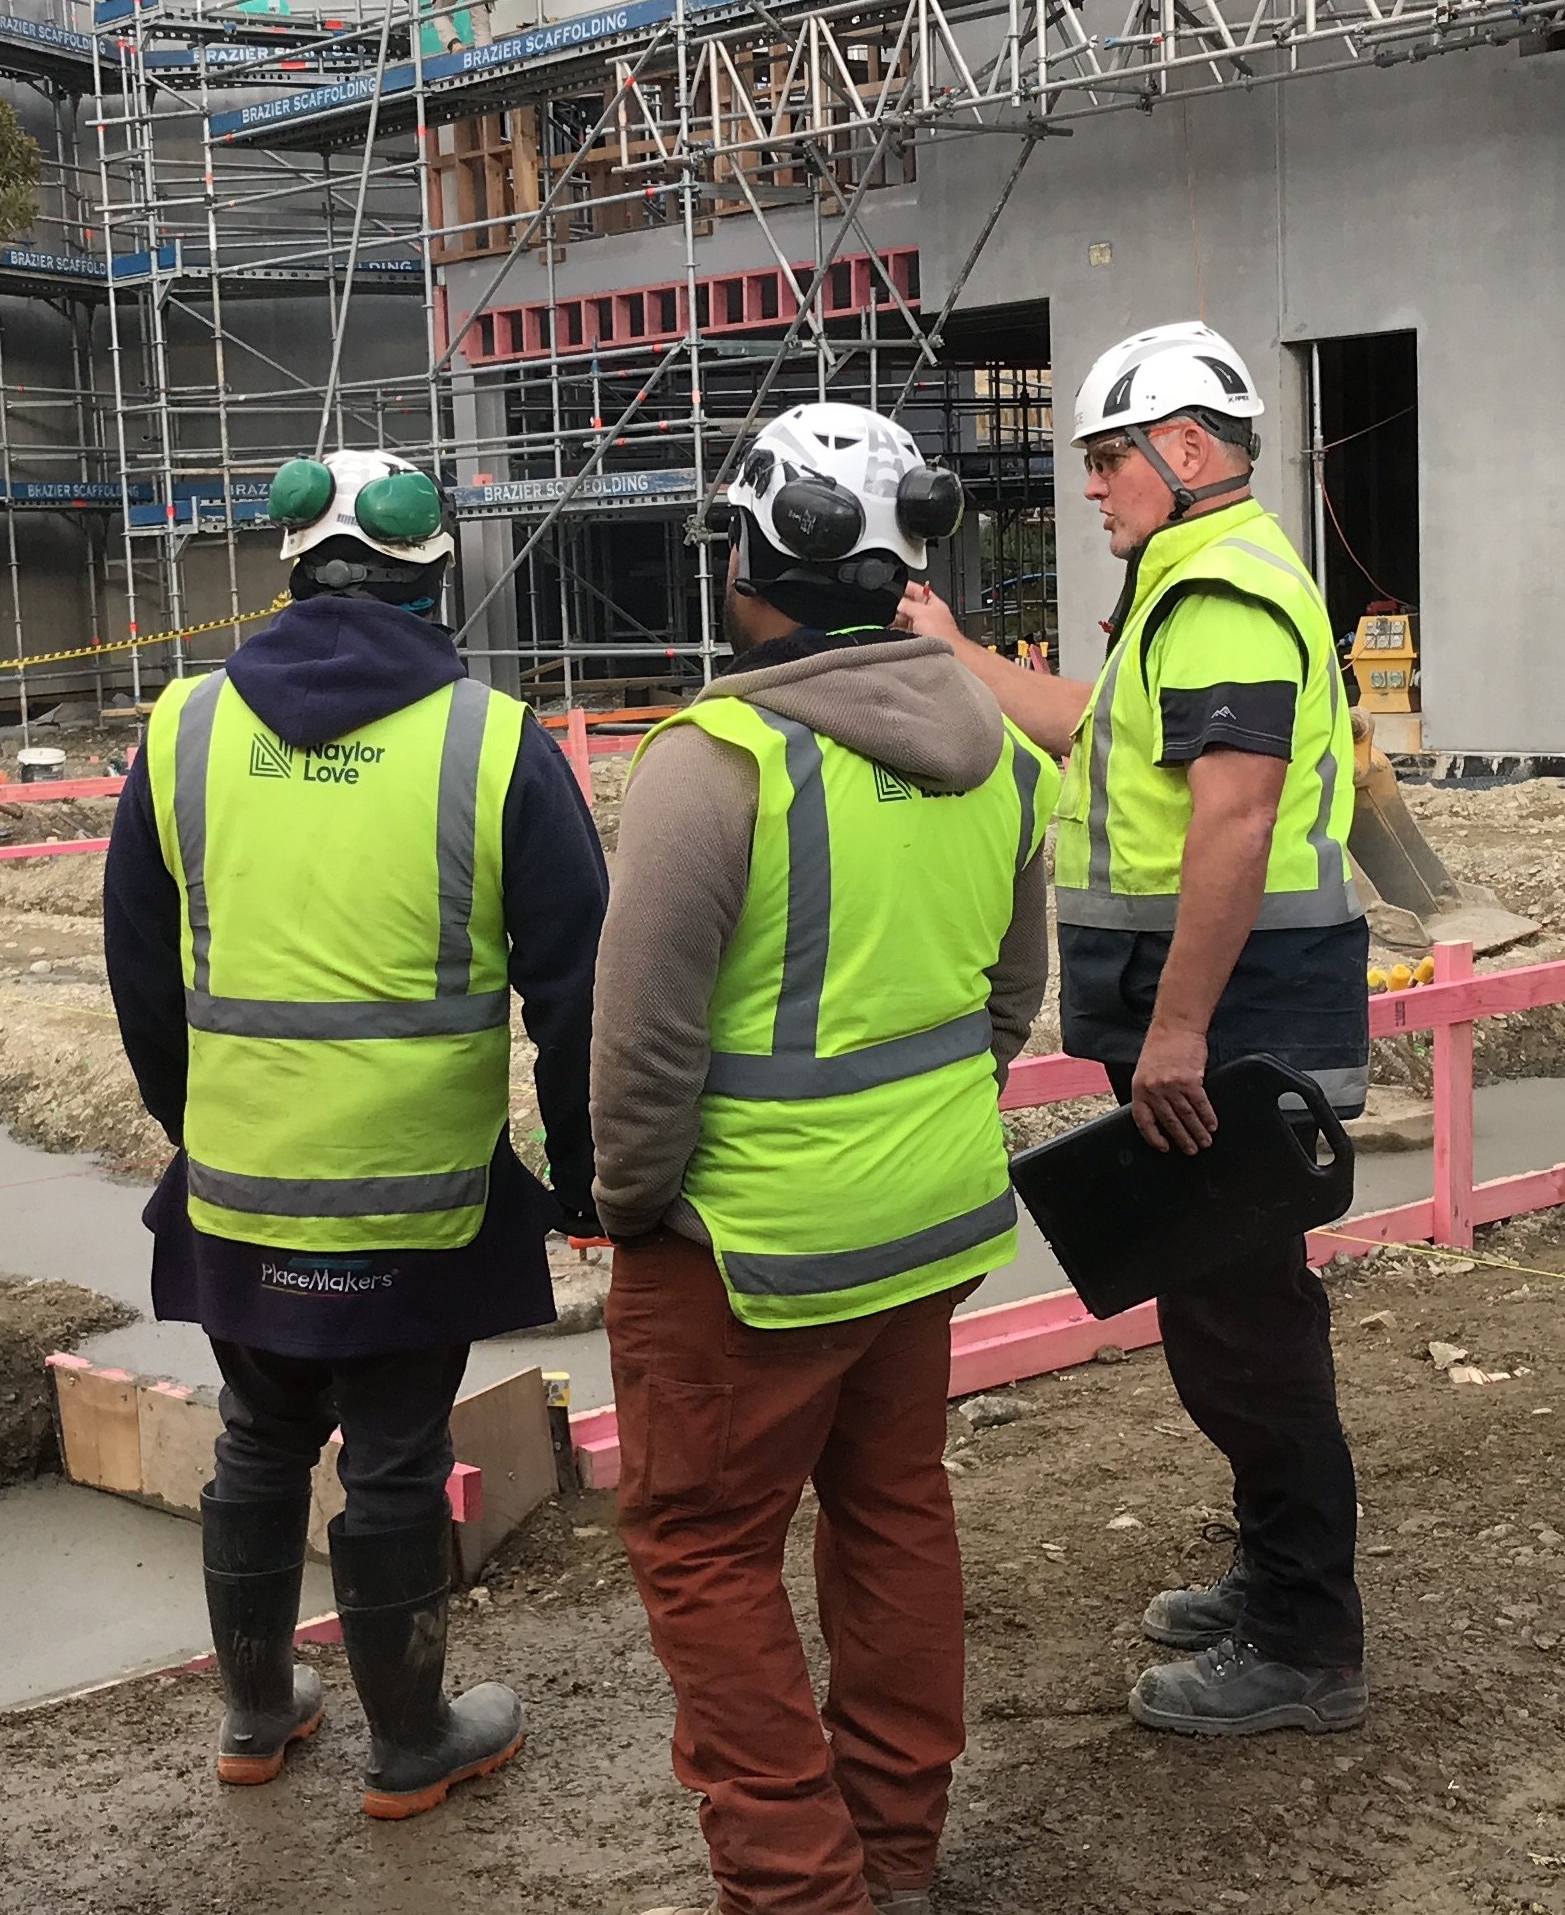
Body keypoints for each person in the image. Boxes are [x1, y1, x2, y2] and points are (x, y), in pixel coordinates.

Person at [594, 402, 1055, 1915]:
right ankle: (894, 1851)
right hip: (923, 1229)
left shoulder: (710, 761)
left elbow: (641, 1050)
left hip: (744, 1251)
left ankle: (798, 1886)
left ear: (759, 552)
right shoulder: (997, 754)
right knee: (893, 1516)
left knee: (703, 1550)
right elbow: (1003, 1000)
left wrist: (631, 1207)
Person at [103, 447, 606, 1818]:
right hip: (418, 1195)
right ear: (433, 573)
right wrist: (581, 1179)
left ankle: (258, 1718)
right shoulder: (493, 741)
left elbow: (141, 978)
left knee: (257, 1439)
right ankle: (408, 1742)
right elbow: (578, 992)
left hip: (240, 1181)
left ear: (286, 571)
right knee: (390, 1452)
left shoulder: (183, 729)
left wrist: (197, 1127)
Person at [907, 319, 1371, 1736]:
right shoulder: (1182, 583)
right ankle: (1276, 1578)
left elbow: (1230, 819)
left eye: (1107, 458)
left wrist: (1172, 1037)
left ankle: (1301, 1641)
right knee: (1230, 1306)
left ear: (1182, 451)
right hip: (1207, 1019)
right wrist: (953, 652)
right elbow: (1088, 734)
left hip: (1222, 1027)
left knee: (1243, 1328)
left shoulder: (1219, 590)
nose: (1092, 485)